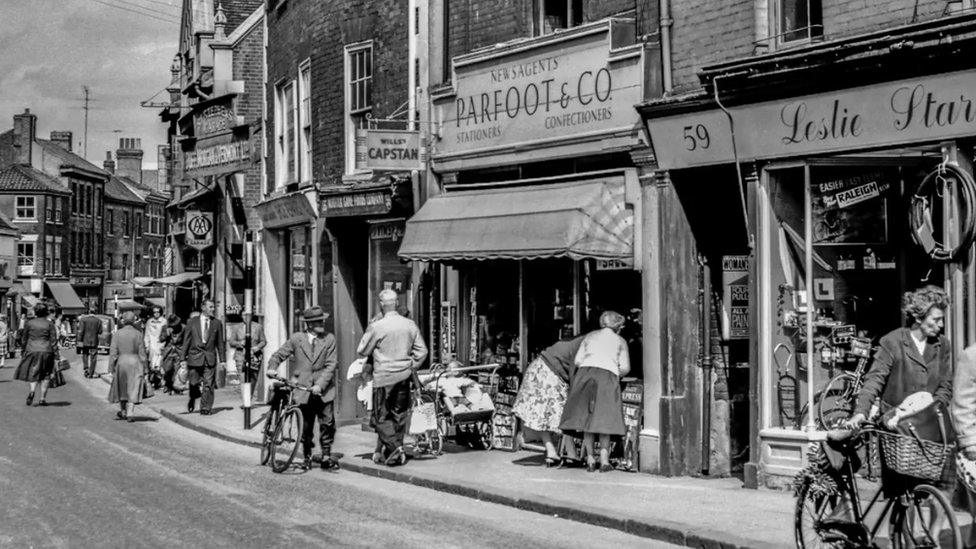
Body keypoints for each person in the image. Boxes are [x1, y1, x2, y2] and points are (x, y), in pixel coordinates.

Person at [837, 286, 954, 527]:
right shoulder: (892, 342)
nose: (940, 325)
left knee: (943, 488)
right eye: (936, 319)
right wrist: (860, 412)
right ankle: (904, 538)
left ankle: (932, 540)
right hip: (898, 428)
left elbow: (946, 384)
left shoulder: (943, 345)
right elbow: (874, 380)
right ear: (919, 317)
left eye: (942, 320)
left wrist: (933, 405)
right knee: (904, 497)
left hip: (931, 426)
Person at [357, 289, 428, 466]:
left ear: (381, 304)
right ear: (396, 303)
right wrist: (412, 365)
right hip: (403, 375)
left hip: (384, 376)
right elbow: (423, 351)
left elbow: (362, 350)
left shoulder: (377, 326)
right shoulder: (409, 324)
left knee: (380, 417)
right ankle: (394, 451)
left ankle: (395, 448)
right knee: (399, 415)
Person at [266, 306, 339, 470]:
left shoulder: (329, 339)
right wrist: (272, 367)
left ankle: (326, 455)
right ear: (310, 324)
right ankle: (307, 456)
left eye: (322, 320)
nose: (322, 324)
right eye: (318, 321)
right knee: (305, 425)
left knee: (327, 423)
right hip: (302, 388)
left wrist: (320, 385)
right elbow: (279, 355)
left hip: (324, 389)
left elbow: (331, 365)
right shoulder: (297, 338)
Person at [559, 311, 630, 473]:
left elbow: (577, 361)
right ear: (617, 326)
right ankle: (604, 461)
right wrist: (614, 371)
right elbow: (625, 367)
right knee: (604, 419)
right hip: (607, 377)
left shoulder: (590, 336)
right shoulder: (620, 341)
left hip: (585, 375)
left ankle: (590, 459)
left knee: (587, 420)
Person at [512, 335, 585, 467]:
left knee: (544, 415)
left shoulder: (577, 342)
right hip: (550, 373)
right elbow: (575, 373)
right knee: (563, 414)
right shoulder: (584, 346)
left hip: (540, 368)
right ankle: (570, 453)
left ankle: (553, 451)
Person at [179, 299, 225, 415]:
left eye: (213, 307)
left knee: (208, 384)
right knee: (194, 383)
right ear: (203, 307)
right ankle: (193, 398)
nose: (213, 309)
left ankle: (205, 408)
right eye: (210, 307)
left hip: (210, 357)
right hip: (194, 357)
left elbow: (220, 343)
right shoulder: (192, 322)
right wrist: (182, 358)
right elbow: (186, 340)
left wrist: (223, 360)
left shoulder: (217, 323)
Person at [107, 310, 150, 422]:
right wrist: (145, 368)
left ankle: (123, 411)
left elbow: (113, 352)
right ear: (134, 321)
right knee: (133, 387)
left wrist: (110, 367)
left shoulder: (117, 334)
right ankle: (130, 412)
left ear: (123, 321)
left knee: (122, 388)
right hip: (135, 362)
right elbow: (142, 353)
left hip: (121, 362)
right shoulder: (138, 334)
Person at [14, 303, 61, 406]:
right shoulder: (50, 324)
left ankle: (32, 392)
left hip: (31, 350)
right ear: (46, 312)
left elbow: (24, 339)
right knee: (46, 375)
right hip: (46, 350)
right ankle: (42, 399)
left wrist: (23, 351)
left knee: (33, 372)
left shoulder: (29, 323)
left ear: (35, 312)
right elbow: (53, 341)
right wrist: (57, 355)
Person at [227, 314, 266, 388]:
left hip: (254, 357)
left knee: (253, 378)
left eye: (248, 315)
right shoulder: (237, 327)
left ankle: (250, 396)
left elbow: (263, 341)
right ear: (242, 316)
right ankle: (245, 397)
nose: (246, 317)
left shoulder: (258, 327)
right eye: (244, 315)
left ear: (251, 316)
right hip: (240, 356)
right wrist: (240, 343)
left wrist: (257, 347)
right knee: (242, 378)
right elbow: (231, 342)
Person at [159, 314, 185, 394]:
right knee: (167, 368)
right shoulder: (165, 327)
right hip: (169, 351)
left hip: (179, 351)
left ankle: (175, 387)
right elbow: (161, 339)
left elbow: (186, 340)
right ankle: (168, 384)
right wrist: (166, 334)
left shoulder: (183, 328)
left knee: (177, 369)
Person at [77, 303, 103, 378]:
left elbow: (80, 331)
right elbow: (100, 331)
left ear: (89, 312)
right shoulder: (99, 321)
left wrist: (79, 341)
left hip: (85, 341)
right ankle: (91, 373)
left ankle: (86, 368)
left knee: (85, 354)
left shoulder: (83, 320)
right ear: (95, 312)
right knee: (93, 357)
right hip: (94, 341)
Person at [144, 306, 166, 375]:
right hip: (151, 346)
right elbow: (147, 334)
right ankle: (152, 381)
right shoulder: (149, 322)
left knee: (159, 365)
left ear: (160, 313)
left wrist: (162, 346)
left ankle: (160, 382)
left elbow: (165, 335)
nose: (156, 314)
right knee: (152, 366)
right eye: (154, 312)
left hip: (160, 346)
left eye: (157, 312)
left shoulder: (164, 321)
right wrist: (146, 346)